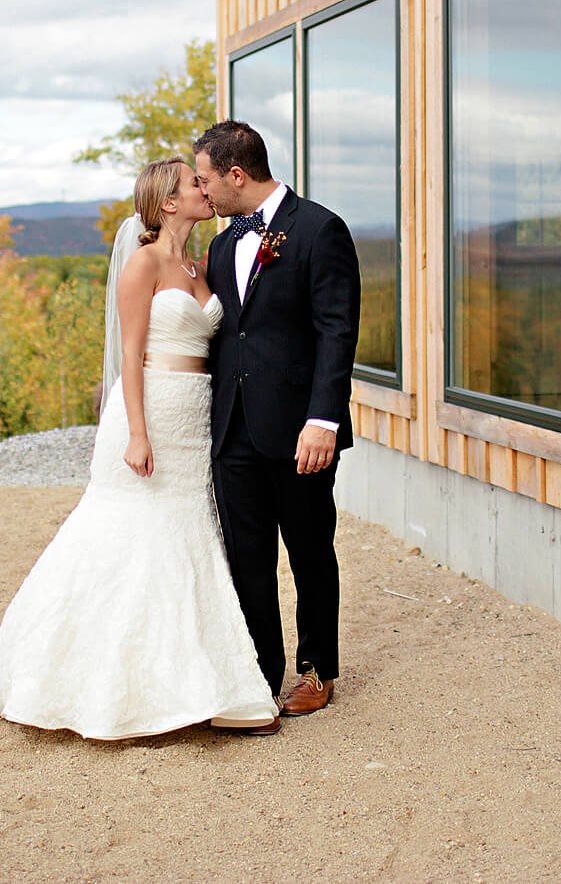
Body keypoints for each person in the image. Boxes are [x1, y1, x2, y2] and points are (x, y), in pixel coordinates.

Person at [0, 158, 278, 739]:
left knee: (188, 538)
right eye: (193, 185)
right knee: (123, 538)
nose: (205, 190)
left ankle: (203, 685)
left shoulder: (201, 264)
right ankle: (89, 679)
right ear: (167, 203)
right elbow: (127, 357)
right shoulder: (143, 264)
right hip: (149, 412)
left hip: (197, 420)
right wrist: (138, 431)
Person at [193, 120, 360, 720]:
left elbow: (336, 332)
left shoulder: (320, 230)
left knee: (311, 549)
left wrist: (324, 420)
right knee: (247, 557)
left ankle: (318, 669)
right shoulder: (220, 244)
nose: (201, 189)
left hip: (299, 432)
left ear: (237, 175)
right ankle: (259, 674)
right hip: (232, 427)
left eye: (206, 178)